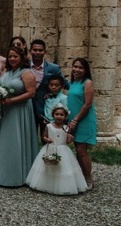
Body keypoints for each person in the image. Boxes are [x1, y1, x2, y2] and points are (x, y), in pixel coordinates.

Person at [0, 46, 40, 188]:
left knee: (15, 140)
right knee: (3, 141)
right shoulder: (6, 71)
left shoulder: (27, 73)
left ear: (22, 57)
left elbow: (31, 93)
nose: (12, 59)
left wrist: (10, 101)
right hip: (4, 109)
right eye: (10, 57)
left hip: (19, 110)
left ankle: (17, 175)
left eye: (15, 56)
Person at [26, 105, 88, 195]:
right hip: (50, 148)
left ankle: (63, 186)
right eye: (57, 114)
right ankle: (46, 185)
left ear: (65, 116)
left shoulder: (66, 128)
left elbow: (67, 141)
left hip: (62, 150)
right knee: (48, 166)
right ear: (53, 115)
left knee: (63, 167)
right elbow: (44, 136)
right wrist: (47, 139)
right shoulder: (49, 126)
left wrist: (70, 138)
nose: (59, 116)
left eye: (61, 115)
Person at [67, 57, 96, 190]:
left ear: (85, 70)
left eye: (80, 67)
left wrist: (76, 119)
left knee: (81, 150)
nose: (77, 70)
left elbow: (87, 104)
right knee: (77, 150)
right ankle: (81, 176)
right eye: (75, 66)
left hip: (83, 120)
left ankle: (88, 178)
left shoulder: (87, 83)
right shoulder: (73, 83)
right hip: (73, 120)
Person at [30, 39, 69, 136]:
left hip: (46, 110)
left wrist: (80, 89)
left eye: (40, 50)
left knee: (48, 137)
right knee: (29, 137)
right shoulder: (25, 66)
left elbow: (64, 83)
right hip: (28, 107)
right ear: (30, 51)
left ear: (45, 52)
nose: (37, 52)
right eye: (35, 50)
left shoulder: (53, 68)